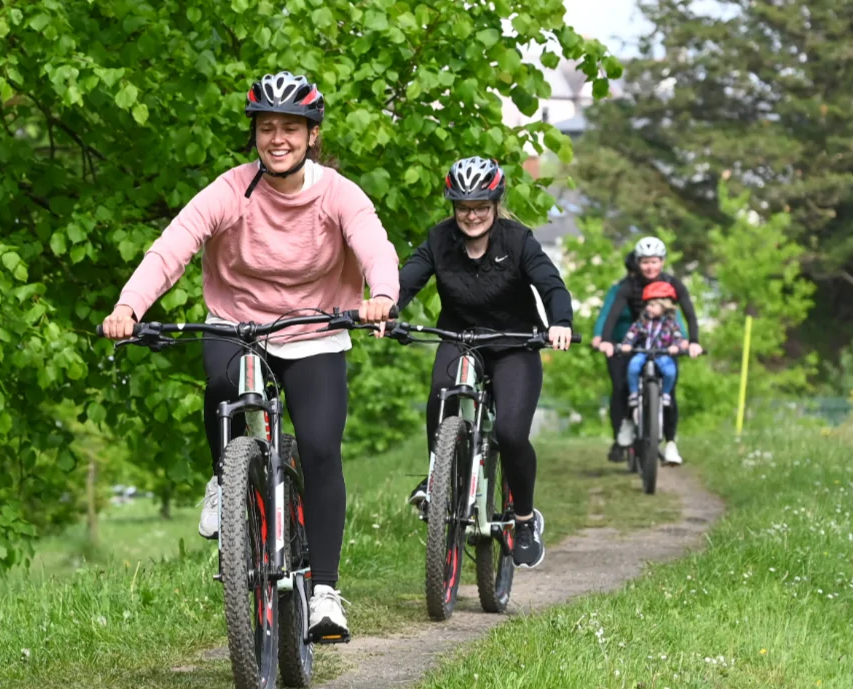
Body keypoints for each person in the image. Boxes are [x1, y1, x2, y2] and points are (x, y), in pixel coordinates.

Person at [100, 71, 400, 638]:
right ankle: (226, 477)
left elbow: (374, 245)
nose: (278, 138)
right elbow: (174, 247)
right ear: (255, 135)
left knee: (319, 449)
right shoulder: (231, 189)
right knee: (220, 384)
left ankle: (326, 594)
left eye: (291, 127)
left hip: (316, 332)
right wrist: (129, 306)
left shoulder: (337, 193)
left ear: (312, 135)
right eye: (267, 128)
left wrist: (381, 296)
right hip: (239, 326)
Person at [396, 156, 574, 569]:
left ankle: (525, 519)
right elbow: (409, 278)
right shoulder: (440, 240)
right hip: (460, 338)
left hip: (514, 343)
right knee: (443, 392)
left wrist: (559, 322)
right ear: (453, 207)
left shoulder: (517, 240)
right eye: (463, 206)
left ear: (495, 204)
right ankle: (438, 477)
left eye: (480, 206)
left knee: (511, 433)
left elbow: (551, 284)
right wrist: (388, 307)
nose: (471, 215)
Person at [598, 237, 703, 465]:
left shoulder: (674, 284)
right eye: (645, 262)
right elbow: (612, 312)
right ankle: (627, 423)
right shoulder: (628, 286)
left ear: (662, 262)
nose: (650, 267)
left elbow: (689, 314)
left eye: (654, 261)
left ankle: (671, 442)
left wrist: (692, 341)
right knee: (625, 382)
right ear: (638, 262)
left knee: (670, 390)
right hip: (639, 341)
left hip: (665, 343)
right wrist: (606, 340)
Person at [620, 281, 688, 418]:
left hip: (662, 354)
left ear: (663, 306)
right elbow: (633, 333)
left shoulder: (670, 323)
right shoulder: (642, 321)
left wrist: (676, 346)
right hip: (643, 352)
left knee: (670, 371)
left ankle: (666, 393)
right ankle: (634, 393)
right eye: (647, 305)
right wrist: (627, 344)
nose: (648, 308)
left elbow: (678, 337)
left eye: (652, 305)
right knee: (633, 366)